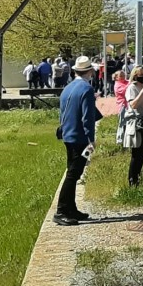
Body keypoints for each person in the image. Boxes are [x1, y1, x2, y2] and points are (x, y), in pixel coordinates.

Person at [55, 56, 98, 226]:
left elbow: (62, 112)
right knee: (73, 174)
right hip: (80, 137)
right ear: (89, 71)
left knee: (72, 171)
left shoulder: (68, 88)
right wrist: (91, 139)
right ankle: (61, 210)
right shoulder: (86, 89)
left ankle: (71, 208)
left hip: (68, 134)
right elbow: (88, 117)